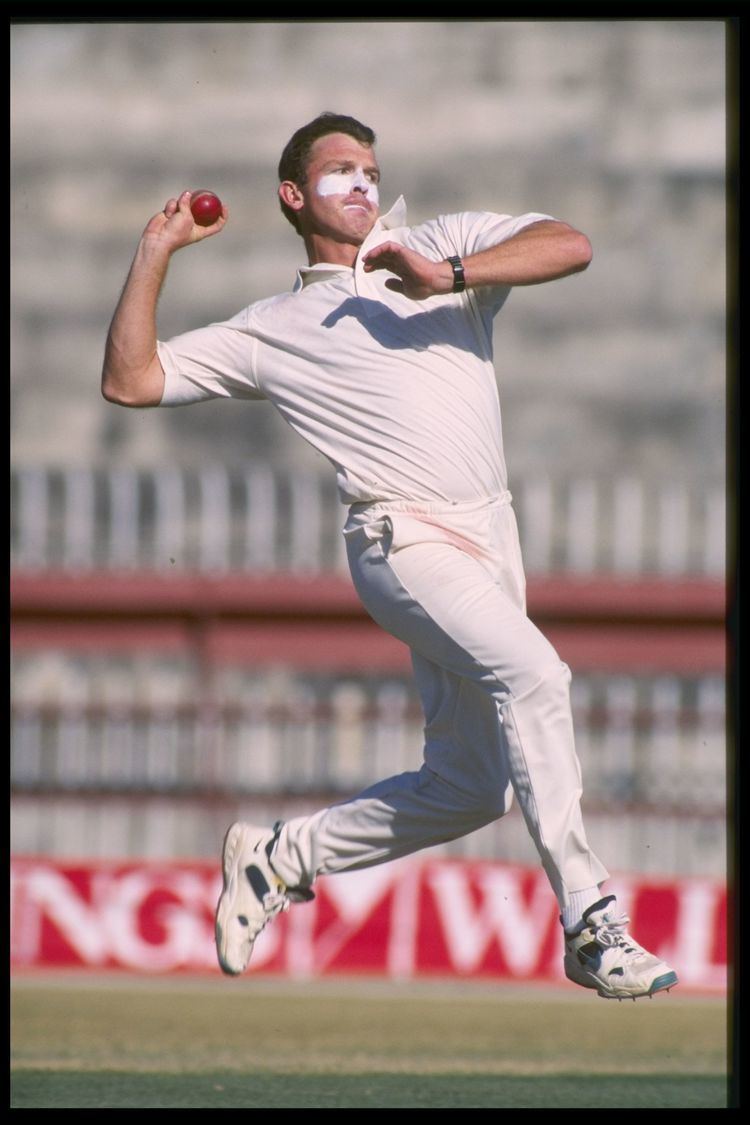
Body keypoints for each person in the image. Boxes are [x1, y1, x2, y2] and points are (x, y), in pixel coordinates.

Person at [102, 112, 678, 1000]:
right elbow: (130, 381)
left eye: (370, 168)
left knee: (469, 788)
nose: (364, 184)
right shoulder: (277, 324)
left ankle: (279, 858)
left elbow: (572, 244)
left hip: (491, 533)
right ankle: (592, 921)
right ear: (294, 196)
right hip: (399, 537)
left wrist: (449, 274)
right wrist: (157, 251)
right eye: (340, 170)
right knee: (536, 676)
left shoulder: (438, 245)